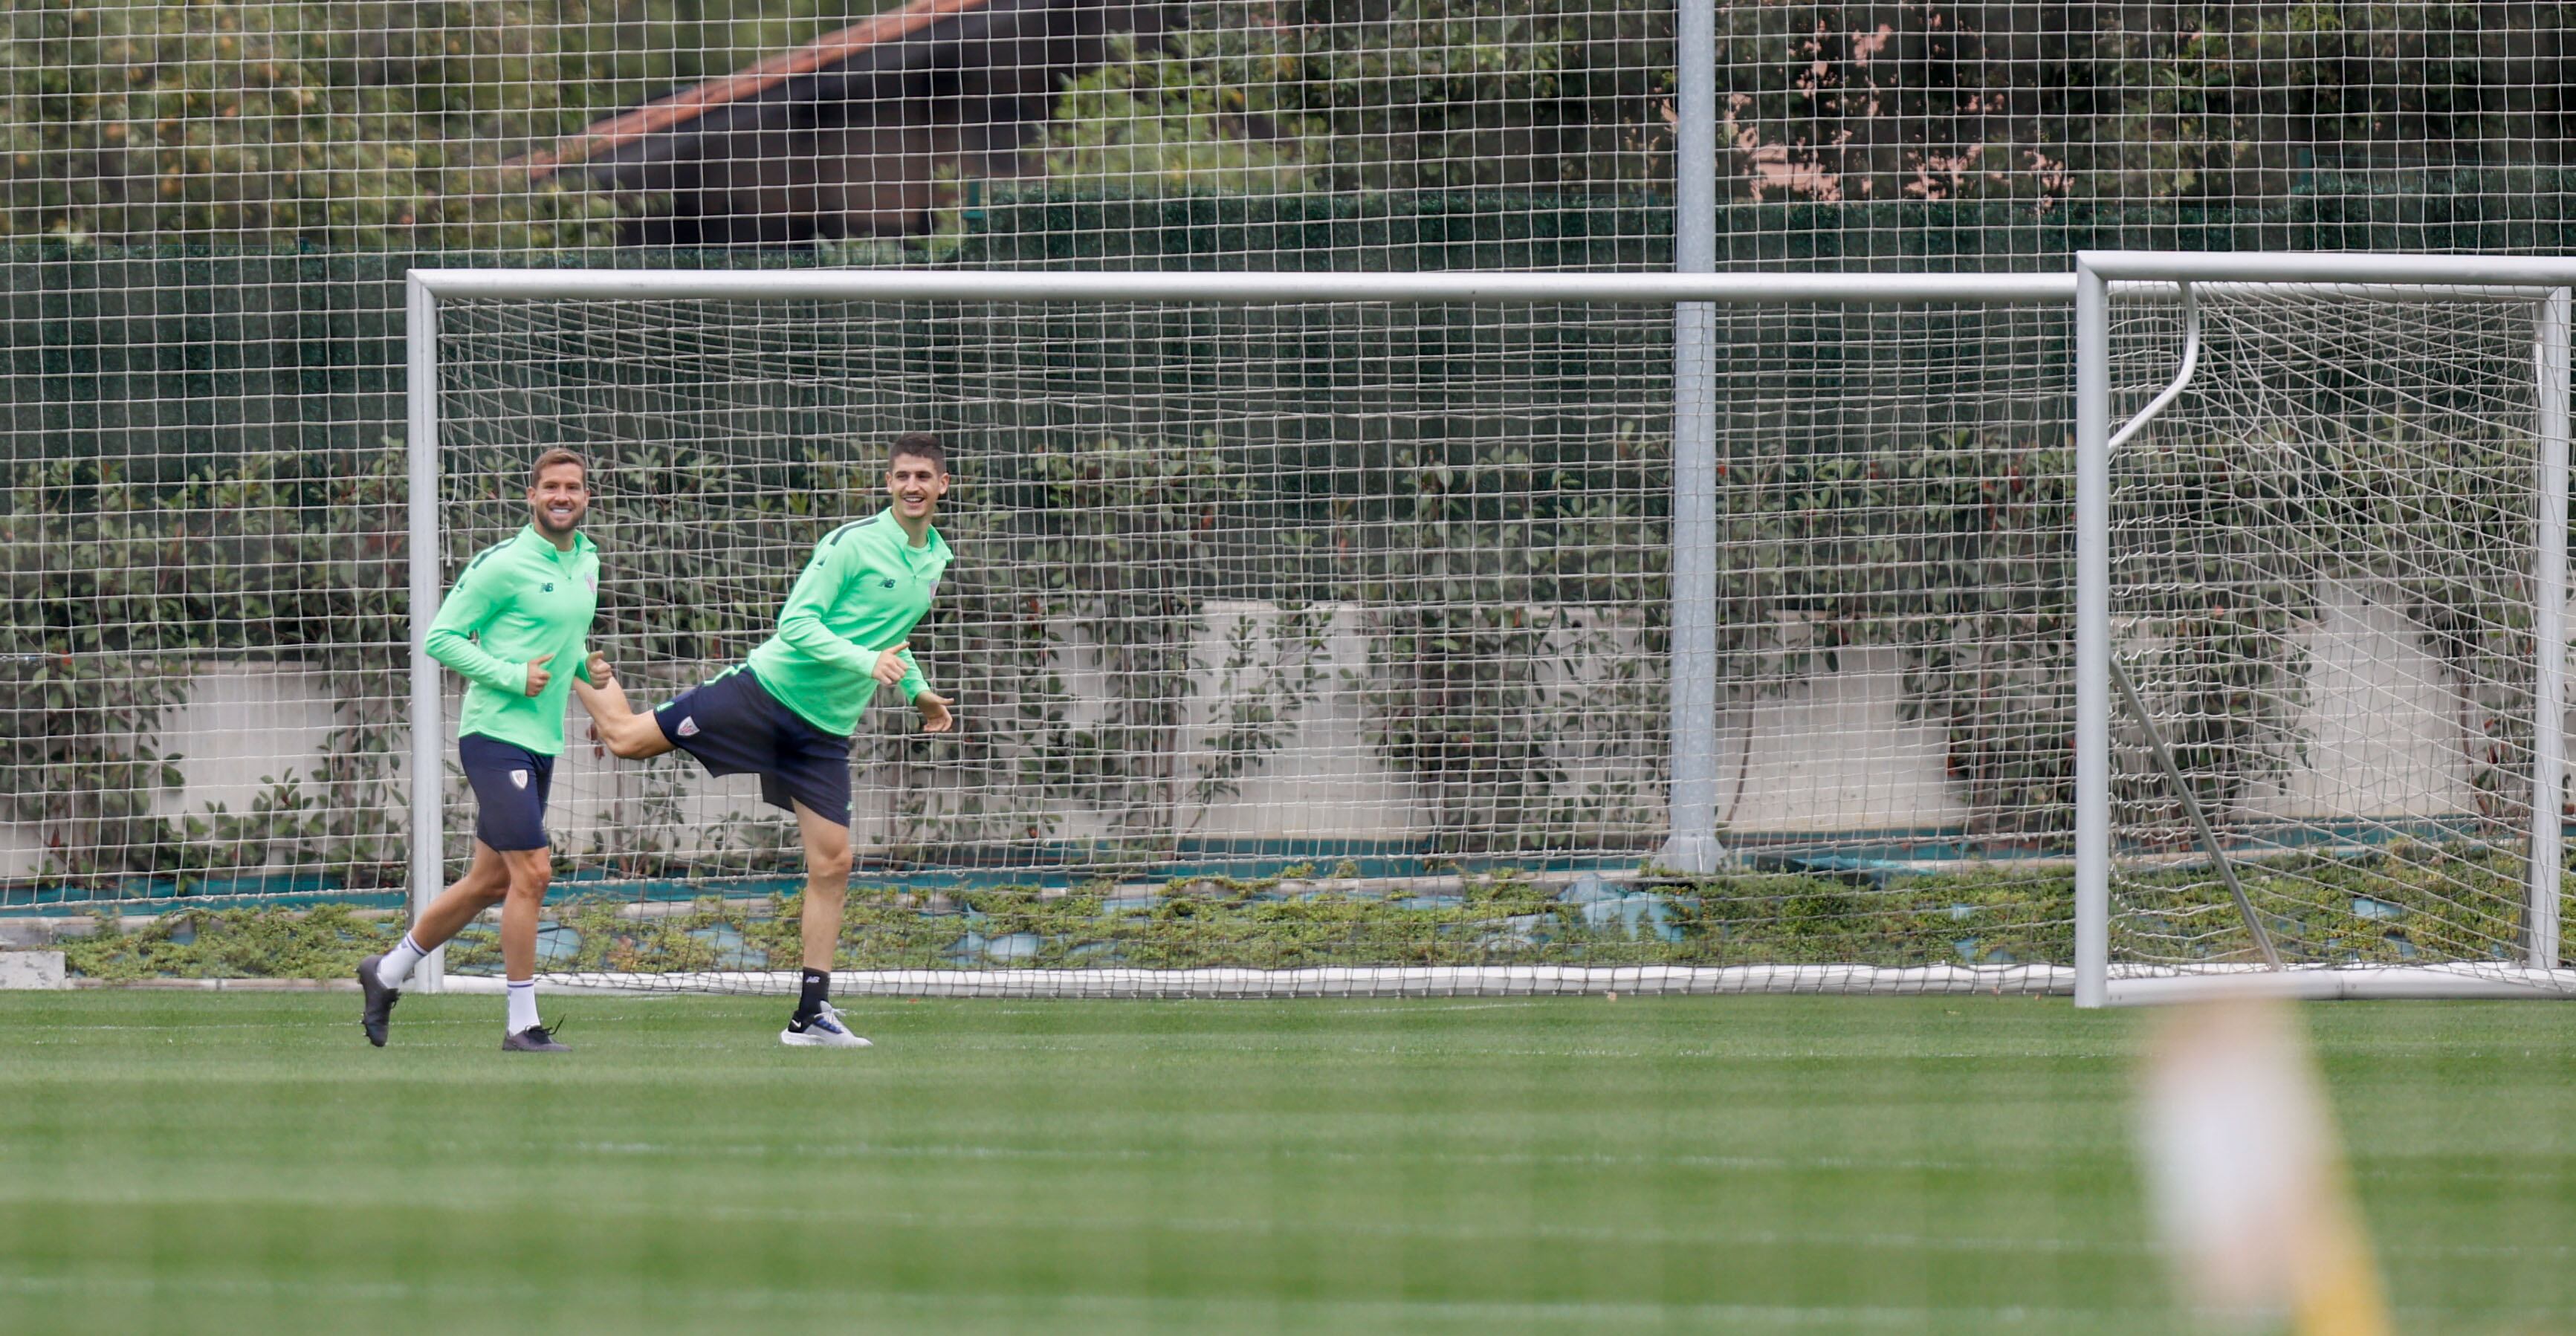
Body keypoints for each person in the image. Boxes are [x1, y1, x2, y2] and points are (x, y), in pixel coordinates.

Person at [575, 432, 955, 1048]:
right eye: (902, 476)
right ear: (887, 484)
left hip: (823, 732)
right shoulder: (854, 545)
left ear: (943, 486)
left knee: (833, 863)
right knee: (626, 740)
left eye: (924, 477)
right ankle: (571, 656)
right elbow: (796, 624)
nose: (912, 486)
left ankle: (810, 1016)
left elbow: (892, 639)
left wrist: (919, 692)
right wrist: (866, 664)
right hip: (765, 695)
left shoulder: (935, 557)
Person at [358, 448, 604, 1053]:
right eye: (551, 486)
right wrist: (510, 675)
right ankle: (522, 1025)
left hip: (543, 741)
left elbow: (562, 642)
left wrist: (587, 672)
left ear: (586, 497)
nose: (562, 496)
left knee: (488, 883)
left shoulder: (589, 559)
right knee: (535, 872)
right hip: (495, 738)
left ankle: (386, 973)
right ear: (532, 496)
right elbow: (440, 637)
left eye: (572, 487)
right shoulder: (503, 563)